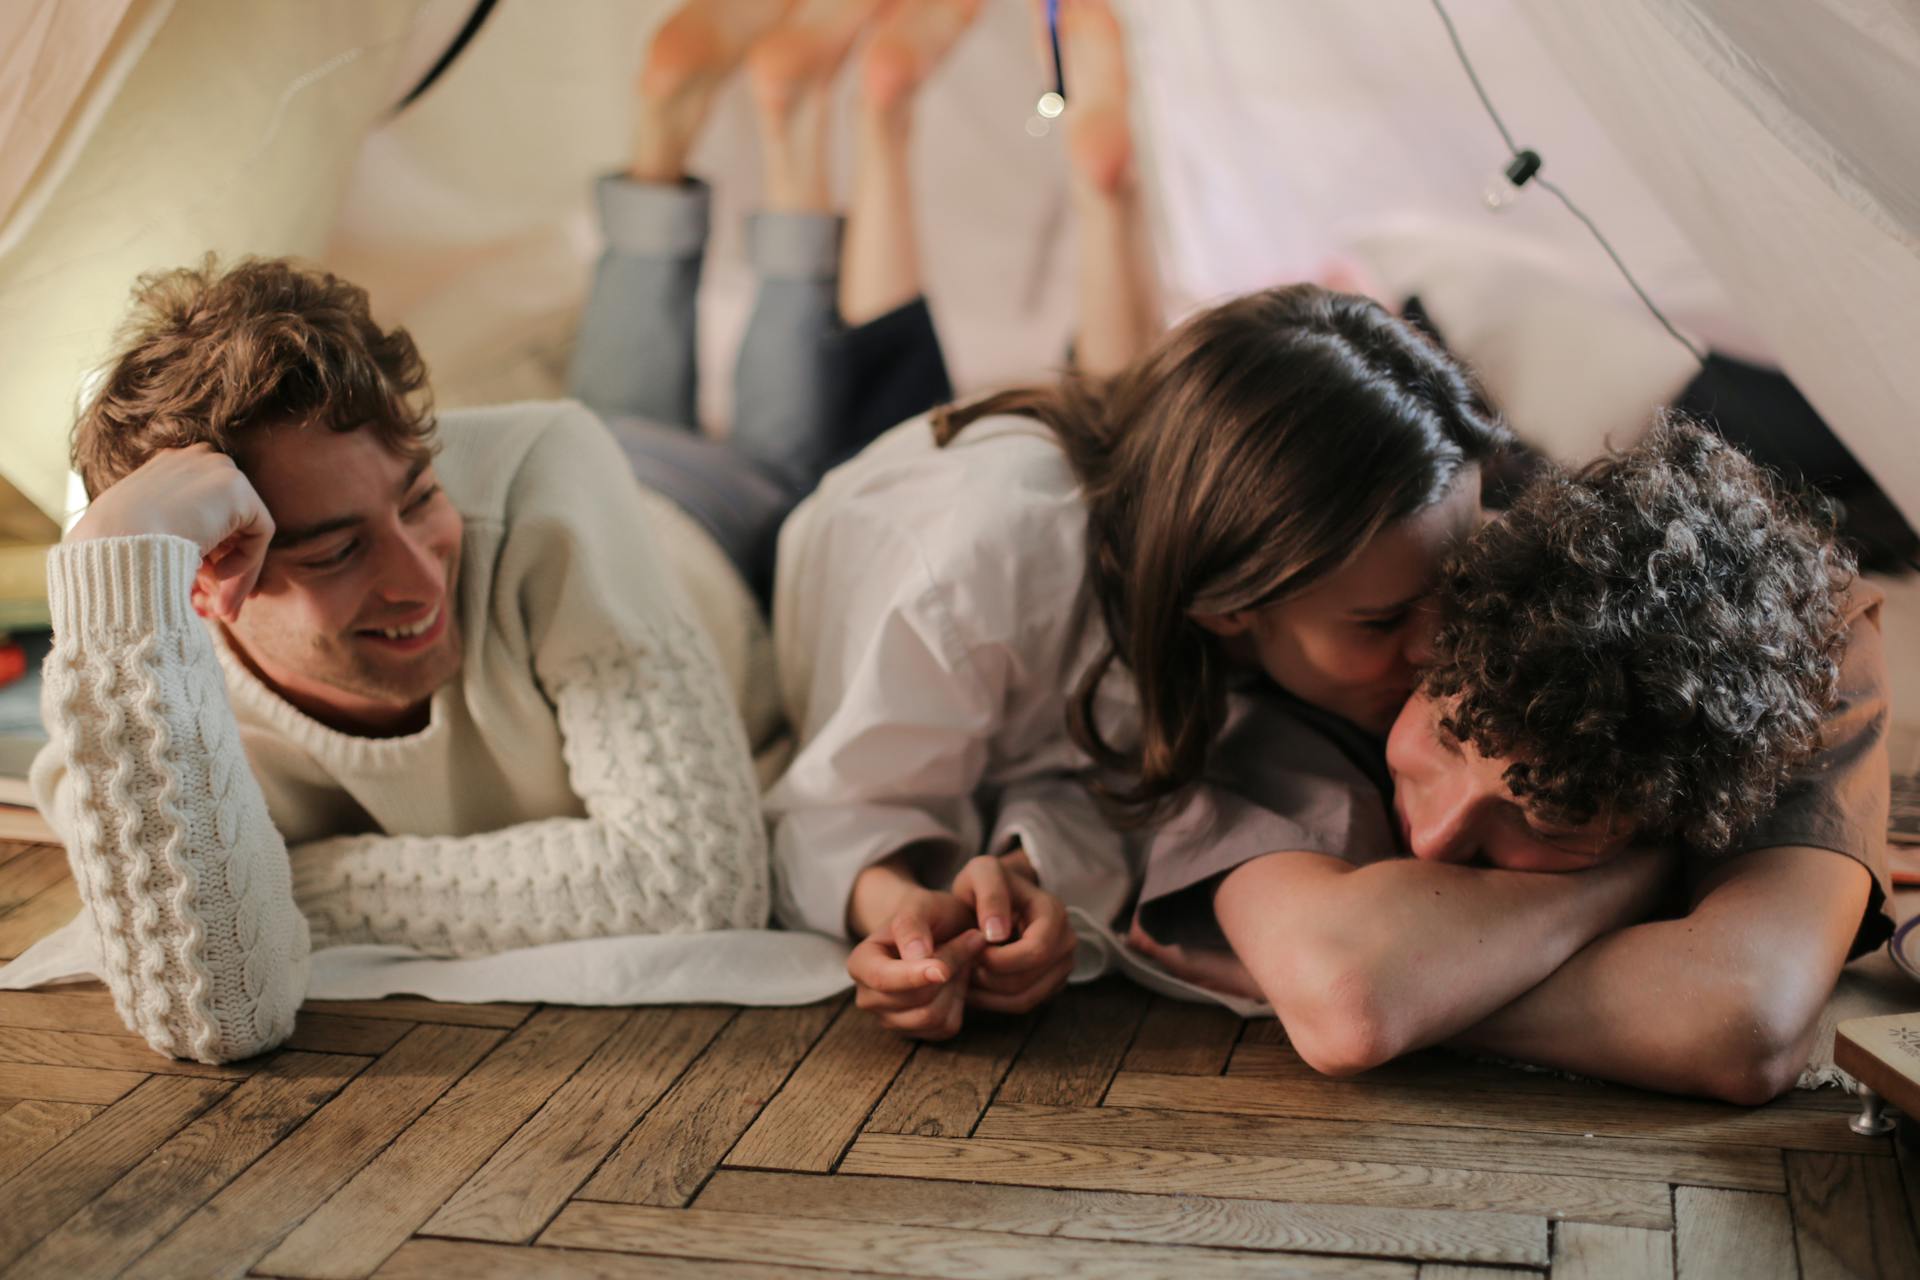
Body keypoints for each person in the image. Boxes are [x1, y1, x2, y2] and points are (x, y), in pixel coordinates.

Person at [13, 0, 967, 1064]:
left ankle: (797, 129)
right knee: (621, 403)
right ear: (205, 583)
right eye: (334, 549)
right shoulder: (138, 701)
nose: (421, 574)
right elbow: (215, 1009)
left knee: (817, 450)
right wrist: (106, 569)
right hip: (592, 485)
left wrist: (286, 879)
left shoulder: (537, 470)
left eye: (421, 493)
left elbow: (694, 877)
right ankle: (726, 115)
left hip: (702, 516)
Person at [765, 2, 1521, 1037]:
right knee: (831, 400)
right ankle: (858, 127)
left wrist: (1024, 884)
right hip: (801, 528)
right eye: (1384, 622)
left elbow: (1107, 773)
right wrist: (905, 921)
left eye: (1457, 588)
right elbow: (828, 808)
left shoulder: (1249, 579)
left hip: (1093, 472)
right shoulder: (970, 575)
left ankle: (1094, 187)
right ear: (1227, 610)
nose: (1441, 649)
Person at [1129, 419, 1891, 1104]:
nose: (1434, 840)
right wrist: (1637, 876)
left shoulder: (1803, 661)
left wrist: (1422, 992)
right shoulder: (1347, 660)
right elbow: (1352, 1001)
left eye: (1547, 817)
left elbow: (1743, 1018)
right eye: (1449, 740)